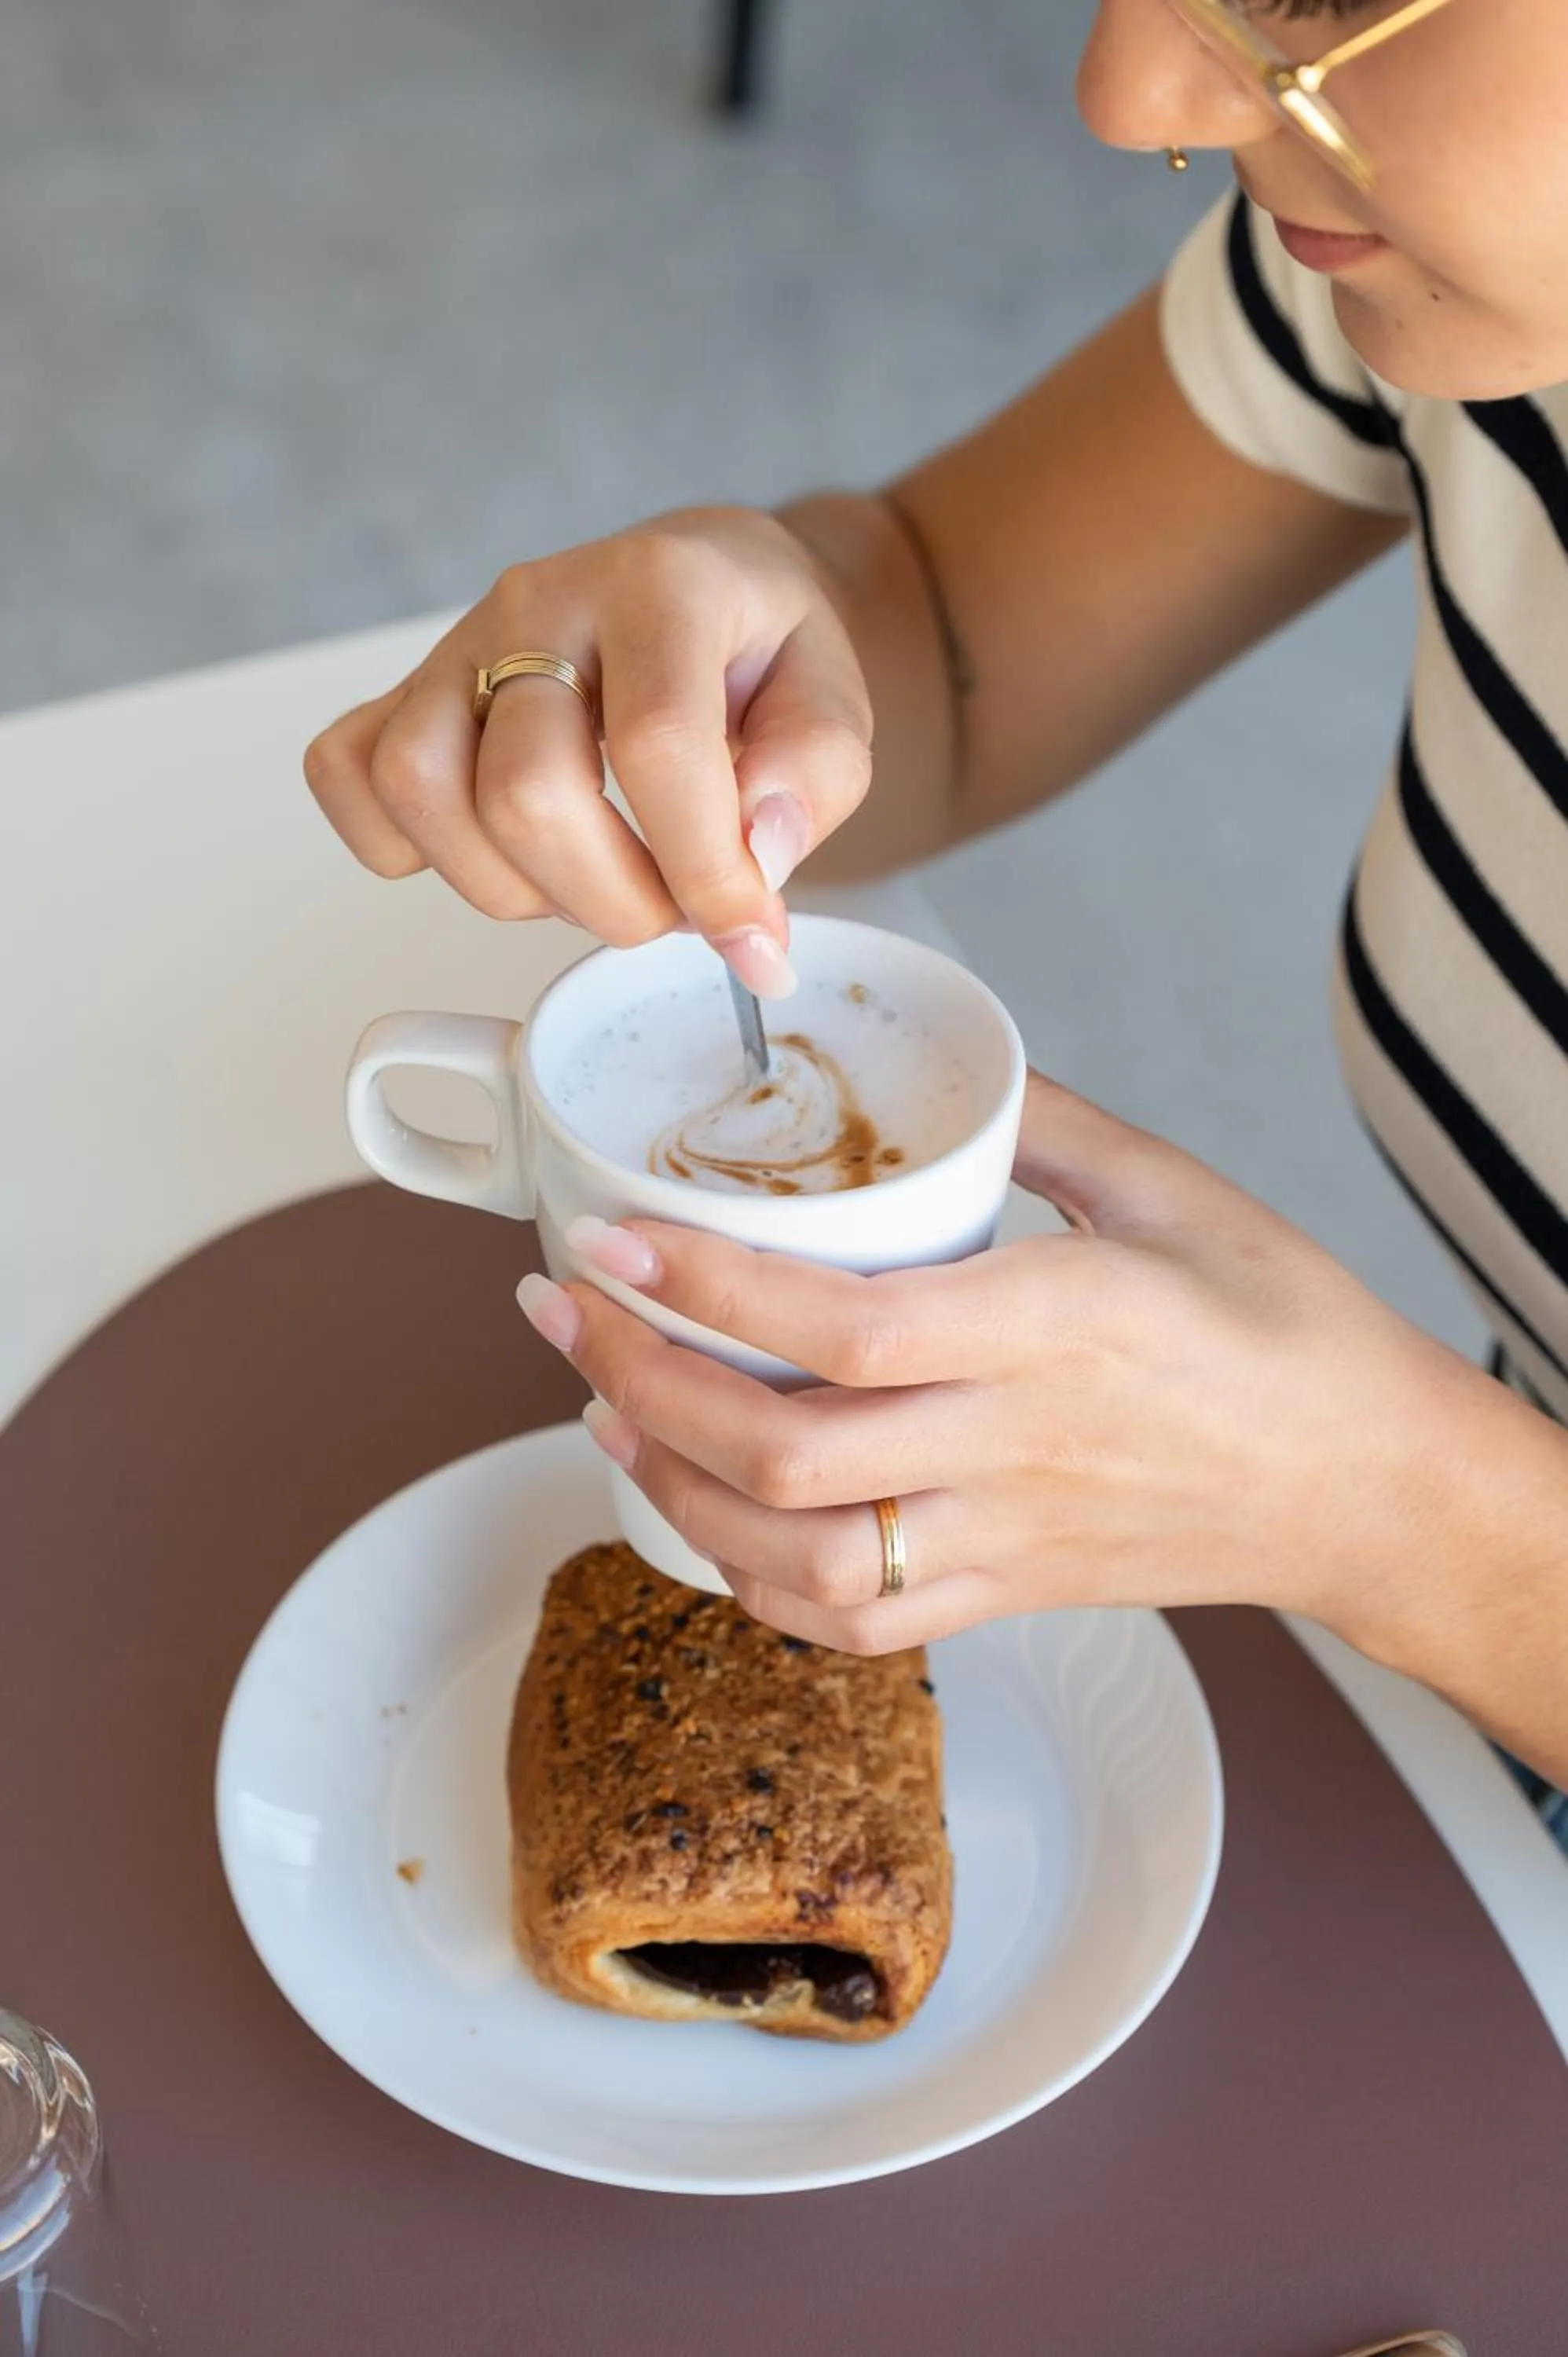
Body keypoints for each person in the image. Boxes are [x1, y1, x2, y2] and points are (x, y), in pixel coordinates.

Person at [305, 0, 1568, 1817]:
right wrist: (739, 629)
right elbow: (947, 623)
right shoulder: (1425, 259)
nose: (1126, 93)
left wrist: (1405, 1524)